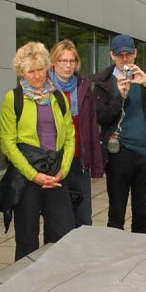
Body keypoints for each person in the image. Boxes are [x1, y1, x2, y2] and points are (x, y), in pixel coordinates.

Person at [0, 41, 75, 260]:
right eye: (31, 71)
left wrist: (63, 170)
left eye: (41, 69)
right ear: (21, 72)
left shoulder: (57, 97)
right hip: (27, 175)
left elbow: (70, 136)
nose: (37, 75)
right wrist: (34, 175)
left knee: (63, 234)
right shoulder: (13, 98)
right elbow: (8, 143)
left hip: (56, 173)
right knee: (27, 238)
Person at [93, 34, 146, 233]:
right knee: (116, 212)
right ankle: (116, 256)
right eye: (120, 55)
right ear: (112, 55)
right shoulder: (103, 82)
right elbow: (101, 118)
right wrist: (120, 97)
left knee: (142, 213)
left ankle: (140, 255)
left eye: (129, 54)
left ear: (136, 54)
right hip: (119, 154)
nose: (125, 59)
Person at [48, 39, 103, 227]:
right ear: (54, 62)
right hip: (55, 162)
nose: (68, 65)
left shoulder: (84, 87)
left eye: (72, 61)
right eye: (63, 61)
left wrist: (96, 165)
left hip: (80, 161)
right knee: (58, 220)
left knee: (83, 218)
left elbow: (91, 127)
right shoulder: (44, 88)